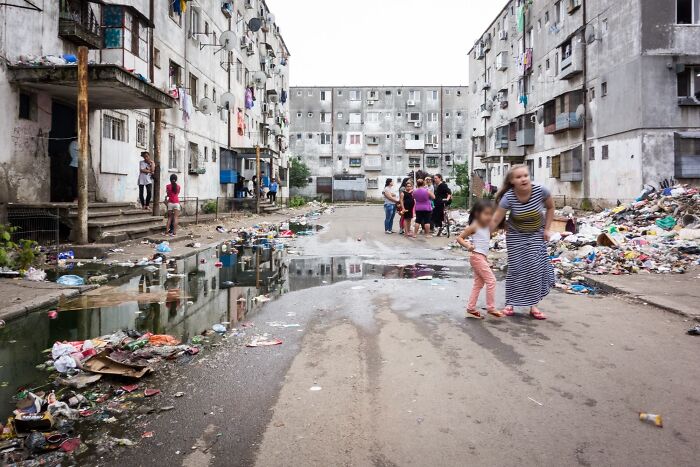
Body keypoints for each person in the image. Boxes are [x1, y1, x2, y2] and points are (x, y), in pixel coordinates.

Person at [491, 164, 555, 320]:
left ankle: (533, 306)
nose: (523, 179)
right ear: (512, 181)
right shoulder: (509, 197)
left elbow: (551, 208)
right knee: (516, 269)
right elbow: (496, 219)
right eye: (518, 177)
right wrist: (482, 235)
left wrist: (547, 229)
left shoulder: (541, 190)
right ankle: (510, 304)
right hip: (515, 236)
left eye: (525, 175)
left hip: (535, 235)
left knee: (534, 269)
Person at [457, 200, 504, 319]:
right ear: (477, 214)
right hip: (476, 256)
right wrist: (468, 245)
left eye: (490, 214)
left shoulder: (487, 226)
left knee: (478, 284)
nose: (489, 217)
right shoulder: (474, 225)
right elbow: (460, 238)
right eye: (486, 214)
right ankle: (491, 307)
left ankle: (471, 309)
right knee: (491, 281)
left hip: (481, 257)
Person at [68, 135, 79, 202]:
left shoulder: (72, 144)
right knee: (75, 182)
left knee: (75, 182)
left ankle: (76, 197)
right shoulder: (74, 144)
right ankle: (75, 197)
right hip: (76, 164)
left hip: (75, 164)